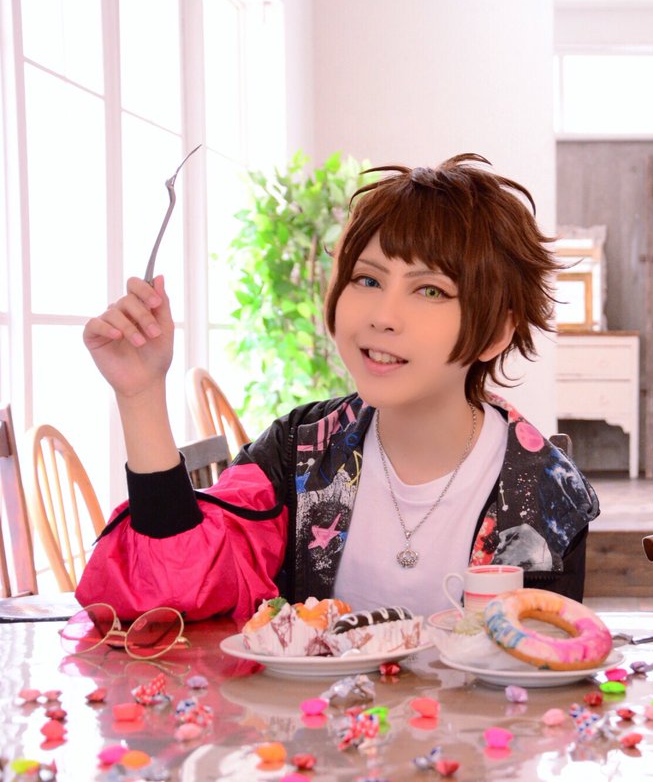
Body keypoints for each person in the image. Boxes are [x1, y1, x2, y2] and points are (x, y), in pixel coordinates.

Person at [77, 153, 599, 622]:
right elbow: (172, 589)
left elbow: (538, 666)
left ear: (497, 332)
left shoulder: (546, 492)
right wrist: (141, 395)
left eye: (430, 290)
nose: (383, 316)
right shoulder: (299, 451)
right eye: (367, 280)